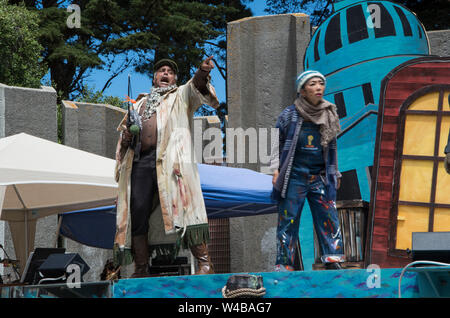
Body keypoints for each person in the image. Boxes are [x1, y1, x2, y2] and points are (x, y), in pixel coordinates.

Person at [114, 56, 219, 277]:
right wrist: (126, 136)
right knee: (138, 211)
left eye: (169, 72)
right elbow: (125, 139)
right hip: (140, 162)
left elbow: (196, 86)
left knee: (185, 206)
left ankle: (204, 263)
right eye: (161, 71)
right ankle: (141, 268)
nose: (165, 74)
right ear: (154, 77)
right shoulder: (139, 103)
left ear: (174, 78)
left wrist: (202, 71)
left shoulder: (180, 95)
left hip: (172, 162)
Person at [271, 70, 345, 271]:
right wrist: (274, 170)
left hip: (320, 176)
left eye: (321, 83)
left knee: (328, 216)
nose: (318, 87)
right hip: (294, 176)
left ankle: (332, 258)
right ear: (302, 91)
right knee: (288, 219)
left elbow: (332, 148)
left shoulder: (329, 112)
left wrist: (335, 172)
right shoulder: (289, 115)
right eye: (312, 84)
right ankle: (284, 263)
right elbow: (274, 143)